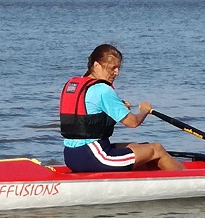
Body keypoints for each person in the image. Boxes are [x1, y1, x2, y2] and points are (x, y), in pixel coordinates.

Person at [60, 44, 185, 172]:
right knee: (156, 149)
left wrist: (120, 107)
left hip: (71, 155)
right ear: (96, 65)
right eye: (112, 68)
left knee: (143, 148)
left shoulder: (73, 85)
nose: (116, 73)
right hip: (95, 156)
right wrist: (144, 111)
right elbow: (133, 122)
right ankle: (188, 179)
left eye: (118, 68)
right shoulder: (103, 90)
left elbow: (90, 116)